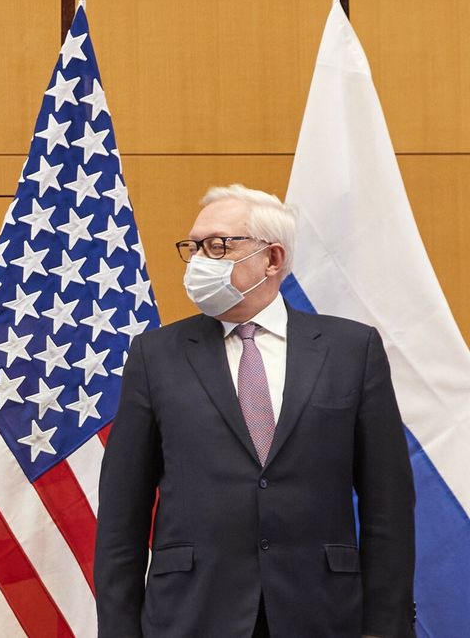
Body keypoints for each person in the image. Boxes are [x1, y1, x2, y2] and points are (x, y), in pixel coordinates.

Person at [95, 185, 415, 638]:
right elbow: (121, 514)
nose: (200, 260)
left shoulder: (352, 350)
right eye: (194, 247)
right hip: (191, 614)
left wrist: (386, 628)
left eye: (219, 245)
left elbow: (389, 507)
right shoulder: (155, 355)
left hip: (322, 613)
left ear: (273, 258)